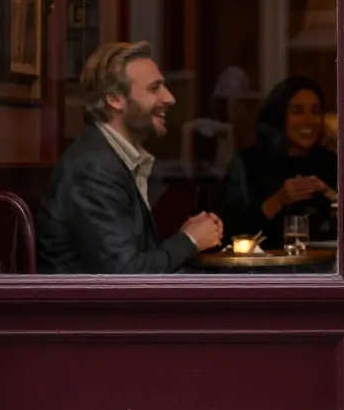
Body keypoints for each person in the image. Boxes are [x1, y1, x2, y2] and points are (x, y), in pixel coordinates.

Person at [36, 41, 222, 273]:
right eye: (155, 88)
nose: (170, 98)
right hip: (89, 309)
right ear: (114, 99)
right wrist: (189, 241)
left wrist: (189, 239)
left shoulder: (111, 157)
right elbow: (125, 275)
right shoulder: (92, 167)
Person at [218, 76, 338, 246]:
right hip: (264, 267)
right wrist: (278, 201)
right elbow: (228, 233)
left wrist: (331, 196)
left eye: (315, 111)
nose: (309, 120)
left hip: (325, 266)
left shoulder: (333, 163)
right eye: (298, 111)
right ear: (279, 116)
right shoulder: (248, 163)